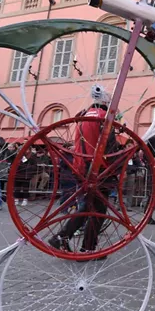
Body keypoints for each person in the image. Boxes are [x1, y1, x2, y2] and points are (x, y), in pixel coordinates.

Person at [48, 85, 118, 259]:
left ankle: (61, 237)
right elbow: (111, 147)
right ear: (106, 102)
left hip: (80, 166)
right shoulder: (104, 118)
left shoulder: (84, 117)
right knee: (98, 210)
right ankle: (88, 248)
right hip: (98, 168)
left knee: (87, 206)